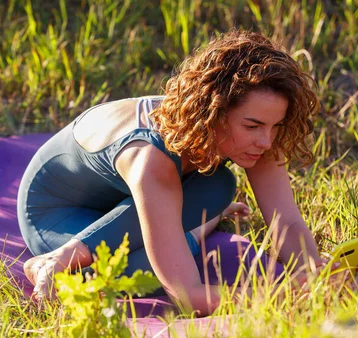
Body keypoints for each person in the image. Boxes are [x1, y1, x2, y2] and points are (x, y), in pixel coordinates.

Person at [17, 29, 335, 316]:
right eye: (252, 126)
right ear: (213, 113)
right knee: (143, 275)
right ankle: (54, 260)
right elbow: (187, 296)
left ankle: (197, 222)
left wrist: (314, 273)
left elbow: (287, 221)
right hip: (56, 214)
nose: (266, 140)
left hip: (124, 200)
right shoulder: (151, 158)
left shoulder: (260, 135)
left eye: (275, 126)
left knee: (218, 185)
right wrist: (280, 296)